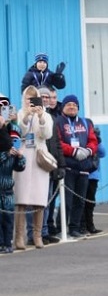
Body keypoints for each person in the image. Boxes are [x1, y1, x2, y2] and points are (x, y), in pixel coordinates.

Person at [12, 86, 53, 249]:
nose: (31, 102)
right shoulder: (18, 113)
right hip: (22, 156)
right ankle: (19, 237)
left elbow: (47, 134)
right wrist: (27, 115)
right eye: (28, 99)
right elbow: (17, 131)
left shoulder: (46, 115)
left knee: (39, 198)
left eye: (34, 98)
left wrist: (41, 116)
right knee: (21, 198)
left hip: (39, 156)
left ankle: (37, 235)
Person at [53, 95, 97, 238]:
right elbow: (58, 142)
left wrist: (89, 151)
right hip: (68, 166)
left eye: (74, 105)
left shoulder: (85, 122)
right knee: (67, 200)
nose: (72, 107)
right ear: (63, 107)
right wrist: (73, 151)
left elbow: (93, 140)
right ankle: (61, 228)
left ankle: (75, 228)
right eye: (68, 105)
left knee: (80, 201)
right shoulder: (58, 122)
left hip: (84, 166)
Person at [0, 96, 26, 254]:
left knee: (8, 217)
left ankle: (7, 242)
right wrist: (6, 154)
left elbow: (20, 167)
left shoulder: (13, 131)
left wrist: (20, 157)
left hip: (8, 186)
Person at [40, 87, 66, 243]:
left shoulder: (52, 118)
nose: (45, 99)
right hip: (39, 164)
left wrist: (60, 165)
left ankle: (46, 229)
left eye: (47, 97)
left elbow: (57, 143)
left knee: (50, 199)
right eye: (41, 96)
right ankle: (37, 232)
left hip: (51, 163)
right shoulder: (30, 116)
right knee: (39, 201)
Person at [83, 121, 106, 235]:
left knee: (91, 202)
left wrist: (98, 140)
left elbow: (102, 153)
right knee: (81, 202)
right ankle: (81, 226)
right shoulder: (81, 138)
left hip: (93, 174)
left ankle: (90, 225)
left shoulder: (95, 139)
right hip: (83, 173)